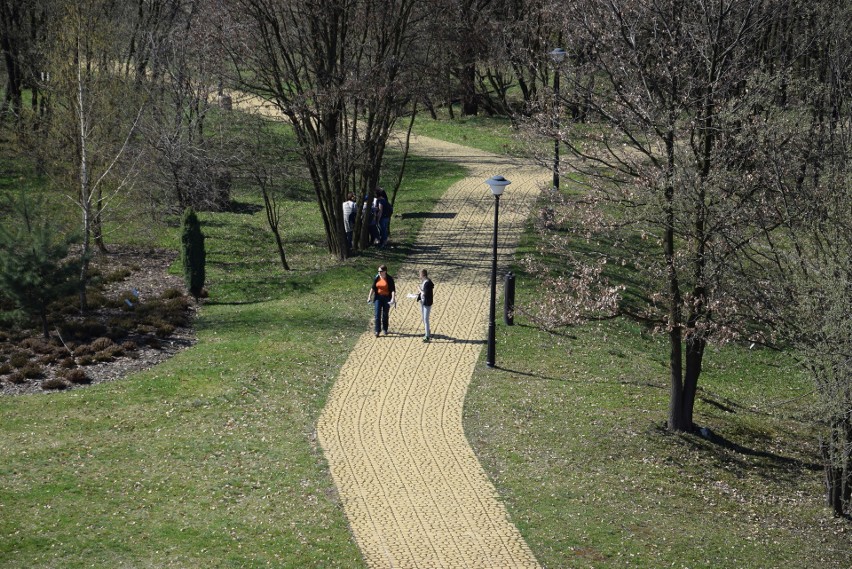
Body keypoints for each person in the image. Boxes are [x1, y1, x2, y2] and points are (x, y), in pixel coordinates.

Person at [369, 265, 396, 337]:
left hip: (386, 298)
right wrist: (369, 297)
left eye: (380, 271)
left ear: (385, 271)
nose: (379, 272)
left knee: (385, 314)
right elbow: (373, 288)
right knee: (377, 314)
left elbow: (393, 290)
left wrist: (392, 298)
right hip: (378, 298)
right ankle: (377, 330)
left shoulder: (389, 279)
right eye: (378, 271)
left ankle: (385, 329)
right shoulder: (377, 277)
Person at [417, 268, 434, 342]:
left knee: (426, 319)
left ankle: (427, 336)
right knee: (423, 318)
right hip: (423, 302)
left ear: (423, 275)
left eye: (420, 275)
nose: (419, 276)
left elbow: (424, 293)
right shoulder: (424, 282)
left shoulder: (427, 283)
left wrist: (419, 289)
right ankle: (427, 331)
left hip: (427, 303)